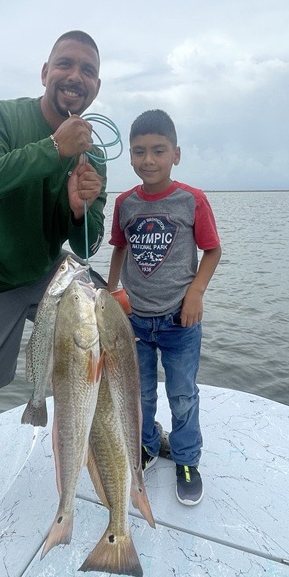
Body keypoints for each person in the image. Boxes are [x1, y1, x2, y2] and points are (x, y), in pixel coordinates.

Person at [0, 30, 106, 552]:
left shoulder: (92, 155)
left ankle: (115, 442)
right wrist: (52, 149)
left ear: (97, 86)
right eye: (66, 65)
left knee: (110, 338)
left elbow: (87, 240)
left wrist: (79, 210)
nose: (75, 77)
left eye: (88, 71)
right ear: (45, 72)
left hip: (43, 271)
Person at [106, 109, 221, 506]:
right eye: (139, 152)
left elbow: (213, 250)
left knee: (183, 395)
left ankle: (187, 460)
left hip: (180, 321)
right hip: (135, 320)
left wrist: (196, 293)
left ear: (176, 153)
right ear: (131, 157)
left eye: (158, 150)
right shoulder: (124, 204)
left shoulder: (192, 200)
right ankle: (147, 445)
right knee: (139, 394)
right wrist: (110, 291)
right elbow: (120, 247)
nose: (148, 160)